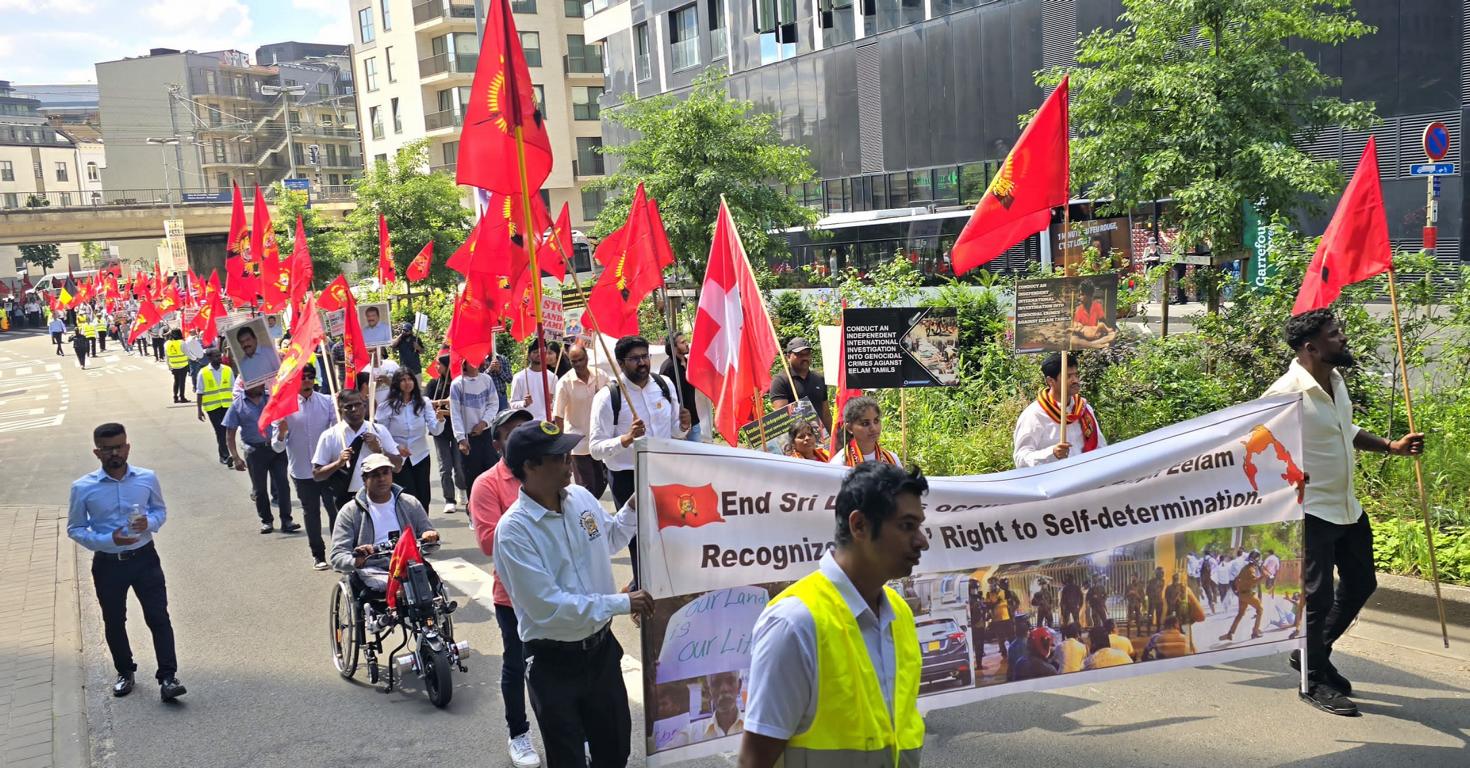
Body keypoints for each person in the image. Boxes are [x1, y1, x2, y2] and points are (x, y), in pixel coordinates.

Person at [738, 463, 928, 768]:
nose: (922, 540)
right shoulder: (795, 624)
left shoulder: (899, 613)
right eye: (907, 526)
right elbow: (754, 761)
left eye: (918, 526)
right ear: (859, 526)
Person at [492, 420, 654, 768]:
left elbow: (611, 538)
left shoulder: (580, 497)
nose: (569, 461)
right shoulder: (514, 531)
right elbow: (548, 608)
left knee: (615, 751)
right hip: (554, 663)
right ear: (530, 466)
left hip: (601, 653)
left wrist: (634, 505)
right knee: (568, 759)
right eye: (558, 456)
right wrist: (622, 602)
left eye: (567, 453)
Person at [67, 422, 187, 701]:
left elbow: (159, 511)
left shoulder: (146, 478)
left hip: (145, 559)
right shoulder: (83, 487)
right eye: (107, 449)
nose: (114, 453)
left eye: (119, 447)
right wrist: (108, 539)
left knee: (158, 617)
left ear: (128, 447)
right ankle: (125, 672)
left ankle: (168, 677)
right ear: (97, 452)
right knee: (114, 620)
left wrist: (150, 522)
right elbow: (75, 528)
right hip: (108, 564)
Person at [467, 407, 540, 768]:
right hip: (513, 595)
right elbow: (488, 542)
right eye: (513, 433)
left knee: (560, 667)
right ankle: (518, 733)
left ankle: (573, 732)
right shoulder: (487, 484)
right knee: (517, 664)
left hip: (557, 590)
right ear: (497, 444)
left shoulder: (549, 472)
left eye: (528, 428)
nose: (523, 437)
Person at [590, 335, 691, 509]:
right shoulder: (607, 397)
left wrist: (683, 425)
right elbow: (595, 449)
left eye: (645, 356)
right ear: (620, 363)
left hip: (663, 471)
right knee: (634, 527)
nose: (642, 362)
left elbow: (675, 431)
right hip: (627, 478)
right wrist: (626, 439)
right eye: (635, 359)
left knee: (666, 523)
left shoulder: (664, 384)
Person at [269, 364, 340, 570]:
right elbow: (277, 447)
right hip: (302, 471)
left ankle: (339, 552)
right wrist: (282, 432)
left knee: (335, 511)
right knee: (311, 513)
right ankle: (318, 554)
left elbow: (337, 432)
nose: (307, 380)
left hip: (327, 469)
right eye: (302, 377)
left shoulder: (327, 402)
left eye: (310, 376)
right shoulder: (285, 407)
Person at [328, 453, 439, 580]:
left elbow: (431, 543)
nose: (381, 478)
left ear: (392, 475)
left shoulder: (410, 503)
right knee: (388, 586)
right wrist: (356, 560)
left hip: (409, 564)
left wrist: (430, 536)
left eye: (385, 473)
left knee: (433, 584)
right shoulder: (350, 511)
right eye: (375, 475)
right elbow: (338, 556)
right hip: (372, 569)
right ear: (364, 479)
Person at [224, 384, 297, 535]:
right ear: (247, 384)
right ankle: (266, 520)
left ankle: (287, 520)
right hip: (254, 452)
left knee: (283, 485)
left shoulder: (272, 399)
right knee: (260, 489)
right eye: (256, 382)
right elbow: (230, 435)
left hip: (276, 449)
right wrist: (236, 457)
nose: (261, 384)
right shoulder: (237, 405)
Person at [1013, 352, 1107, 467]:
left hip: (1089, 473)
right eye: (1068, 376)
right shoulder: (1034, 415)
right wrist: (1051, 453)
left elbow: (1100, 445)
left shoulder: (1084, 408)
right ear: (1050, 381)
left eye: (1076, 375)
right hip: (1056, 476)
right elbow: (1021, 458)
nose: (1075, 380)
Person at [312, 389, 402, 508]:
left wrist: (380, 450)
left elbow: (398, 466)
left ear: (364, 406)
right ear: (340, 410)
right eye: (348, 407)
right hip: (345, 498)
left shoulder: (379, 430)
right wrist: (338, 463)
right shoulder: (330, 435)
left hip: (378, 496)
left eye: (358, 404)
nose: (354, 409)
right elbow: (317, 474)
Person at [376, 369, 443, 512]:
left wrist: (440, 420)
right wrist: (396, 447)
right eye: (403, 380)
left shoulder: (423, 402)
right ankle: (407, 524)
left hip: (420, 455)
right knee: (406, 496)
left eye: (410, 379)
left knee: (423, 495)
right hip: (398, 458)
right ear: (396, 383)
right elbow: (381, 433)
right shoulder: (386, 406)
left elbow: (435, 429)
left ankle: (423, 523)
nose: (407, 383)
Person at [551, 343, 610, 500]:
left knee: (602, 482)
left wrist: (603, 395)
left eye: (580, 359)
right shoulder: (564, 382)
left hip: (599, 439)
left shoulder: (600, 376)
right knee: (586, 487)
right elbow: (558, 416)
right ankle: (587, 512)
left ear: (587, 358)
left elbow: (614, 400)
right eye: (574, 361)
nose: (578, 364)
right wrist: (561, 446)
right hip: (577, 442)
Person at [450, 358, 501, 498]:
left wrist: (483, 423)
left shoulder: (487, 380)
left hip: (486, 433)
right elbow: (455, 413)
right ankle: (473, 507)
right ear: (464, 363)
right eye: (470, 360)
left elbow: (493, 403)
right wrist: (461, 439)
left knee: (490, 471)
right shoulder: (457, 384)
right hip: (468, 437)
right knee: (472, 476)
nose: (474, 362)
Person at [426, 354, 466, 514]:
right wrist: (441, 405)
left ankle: (462, 489)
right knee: (445, 466)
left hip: (457, 429)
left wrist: (445, 407)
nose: (436, 367)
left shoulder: (458, 384)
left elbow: (461, 407)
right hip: (439, 430)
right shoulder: (433, 384)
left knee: (459, 465)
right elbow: (426, 404)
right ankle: (449, 499)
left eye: (439, 364)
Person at [768, 337, 833, 436]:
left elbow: (826, 414)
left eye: (807, 354)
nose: (804, 358)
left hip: (820, 437)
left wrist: (834, 438)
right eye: (799, 355)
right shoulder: (781, 381)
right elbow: (781, 418)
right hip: (796, 439)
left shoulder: (819, 379)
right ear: (788, 357)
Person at [829, 396, 899, 466]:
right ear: (849, 428)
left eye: (876, 421)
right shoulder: (840, 463)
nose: (873, 428)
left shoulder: (891, 459)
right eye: (865, 424)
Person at [659, 332, 704, 442]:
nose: (687, 344)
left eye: (686, 341)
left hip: (694, 421)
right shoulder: (668, 368)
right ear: (674, 347)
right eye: (682, 342)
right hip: (677, 425)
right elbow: (664, 398)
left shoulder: (688, 363)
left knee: (696, 452)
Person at [196, 348, 236, 467]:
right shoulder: (203, 372)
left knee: (228, 430)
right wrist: (199, 410)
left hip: (227, 405)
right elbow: (199, 392)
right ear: (209, 358)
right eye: (216, 356)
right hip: (212, 407)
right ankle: (225, 456)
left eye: (220, 355)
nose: (219, 358)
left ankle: (228, 454)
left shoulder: (228, 370)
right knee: (220, 430)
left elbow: (234, 389)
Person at [1219, 551, 1265, 642]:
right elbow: (1253, 581)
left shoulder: (1245, 568)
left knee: (1240, 614)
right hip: (1249, 594)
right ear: (1256, 560)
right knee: (1260, 610)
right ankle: (1255, 632)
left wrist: (1239, 590)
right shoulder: (1251, 570)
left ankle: (1230, 633)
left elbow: (1237, 579)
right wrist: (1263, 577)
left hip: (1242, 595)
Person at [510, 340, 555, 422]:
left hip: (546, 422)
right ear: (529, 356)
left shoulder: (553, 377)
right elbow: (512, 404)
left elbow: (556, 405)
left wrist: (552, 402)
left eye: (542, 352)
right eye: (535, 352)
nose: (539, 354)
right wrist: (524, 403)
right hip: (526, 423)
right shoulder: (519, 377)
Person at [164, 329, 190, 403]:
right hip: (183, 365)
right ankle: (182, 397)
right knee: (182, 382)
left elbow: (167, 356)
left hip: (173, 365)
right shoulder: (182, 342)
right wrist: (195, 358)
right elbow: (187, 353)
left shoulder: (167, 343)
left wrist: (169, 366)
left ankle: (175, 397)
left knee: (176, 381)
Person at [1146, 566, 1166, 634]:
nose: (1162, 574)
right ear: (1157, 573)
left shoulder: (1162, 581)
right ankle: (1148, 629)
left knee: (1159, 616)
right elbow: (1147, 591)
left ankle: (1158, 629)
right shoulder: (1151, 581)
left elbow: (1158, 589)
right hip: (1152, 601)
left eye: (1162, 573)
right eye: (1161, 573)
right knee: (1150, 615)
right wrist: (1150, 597)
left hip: (1159, 601)